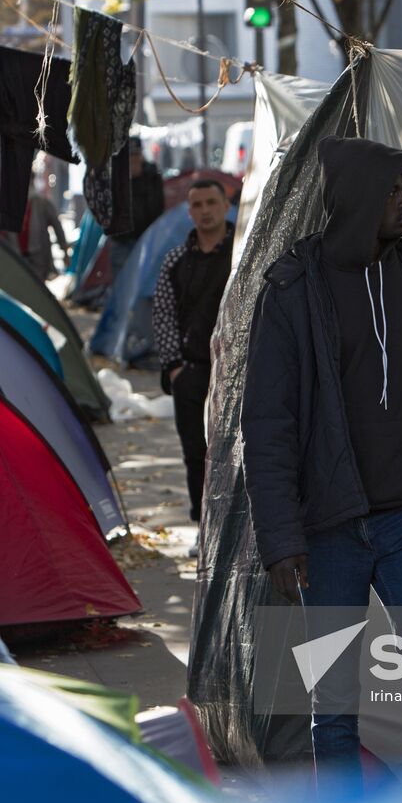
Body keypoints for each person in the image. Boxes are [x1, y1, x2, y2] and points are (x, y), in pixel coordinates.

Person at [240, 137, 402, 803]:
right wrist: (281, 536)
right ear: (355, 198)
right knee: (335, 698)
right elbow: (268, 424)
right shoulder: (291, 290)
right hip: (327, 525)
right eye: (392, 190)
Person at [153, 180, 234, 543]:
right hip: (191, 372)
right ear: (190, 212)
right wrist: (175, 369)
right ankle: (205, 532)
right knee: (194, 455)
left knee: (236, 455)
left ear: (225, 204)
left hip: (235, 374)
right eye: (197, 204)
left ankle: (234, 532)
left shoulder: (241, 253)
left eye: (211, 202)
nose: (205, 210)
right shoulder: (176, 261)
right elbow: (163, 315)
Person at [108, 136, 164, 281]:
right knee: (122, 283)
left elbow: (158, 206)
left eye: (135, 155)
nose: (133, 160)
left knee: (145, 283)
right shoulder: (115, 177)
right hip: (122, 241)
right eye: (129, 157)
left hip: (147, 239)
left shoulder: (152, 176)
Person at [17, 180, 70, 281]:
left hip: (38, 256)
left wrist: (64, 250)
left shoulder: (42, 203)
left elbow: (57, 226)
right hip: (17, 255)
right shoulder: (10, 203)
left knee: (37, 286)